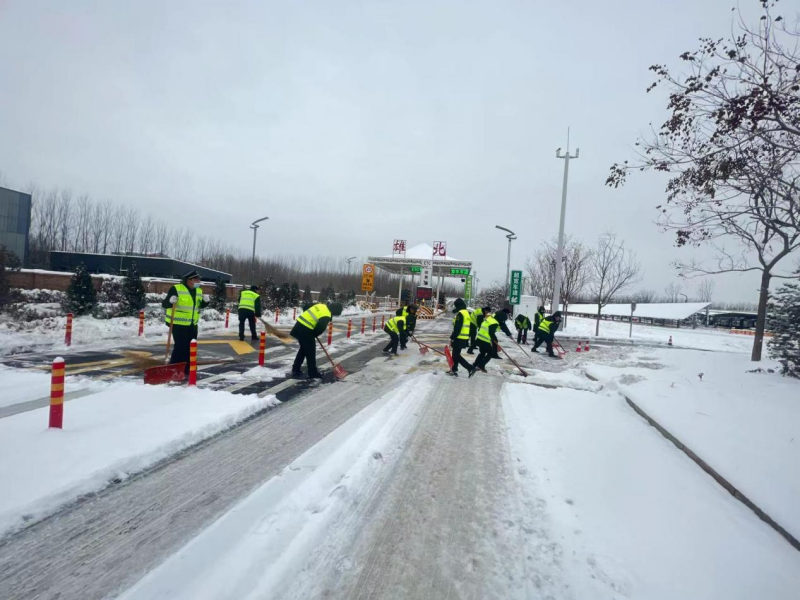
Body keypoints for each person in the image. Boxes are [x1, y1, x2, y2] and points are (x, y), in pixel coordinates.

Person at [162, 270, 210, 373]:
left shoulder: (198, 290)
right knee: (180, 347)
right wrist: (170, 302)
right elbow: (165, 304)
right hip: (178, 324)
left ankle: (188, 367)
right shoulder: (176, 289)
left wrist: (205, 302)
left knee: (191, 347)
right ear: (189, 280)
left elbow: (198, 305)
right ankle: (175, 367)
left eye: (199, 279)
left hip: (192, 324)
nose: (198, 281)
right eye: (196, 279)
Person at [290, 301, 343, 378]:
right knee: (310, 352)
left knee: (304, 350)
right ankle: (312, 373)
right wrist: (313, 334)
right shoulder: (326, 314)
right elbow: (320, 329)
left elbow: (306, 306)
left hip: (299, 326)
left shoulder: (321, 305)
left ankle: (295, 369)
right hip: (306, 330)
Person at [447, 298, 475, 377]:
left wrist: (452, 337)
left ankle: (470, 368)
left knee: (456, 355)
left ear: (458, 305)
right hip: (463, 337)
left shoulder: (460, 314)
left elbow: (457, 328)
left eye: (455, 306)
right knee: (455, 354)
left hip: (459, 338)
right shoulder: (466, 312)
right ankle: (454, 369)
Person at [471, 310, 502, 376]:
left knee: (482, 353)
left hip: (479, 338)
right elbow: (491, 333)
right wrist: (495, 341)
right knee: (490, 353)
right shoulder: (494, 322)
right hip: (484, 339)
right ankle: (481, 365)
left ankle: (475, 364)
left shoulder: (490, 319)